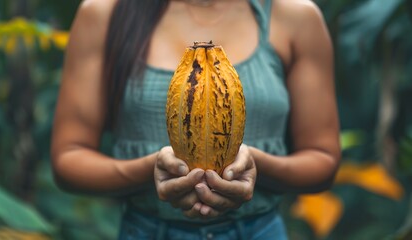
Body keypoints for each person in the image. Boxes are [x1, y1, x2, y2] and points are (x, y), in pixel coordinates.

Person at [51, 0, 341, 239]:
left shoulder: (294, 15)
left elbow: (323, 160)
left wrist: (255, 165)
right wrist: (150, 169)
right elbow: (68, 159)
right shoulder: (104, 13)